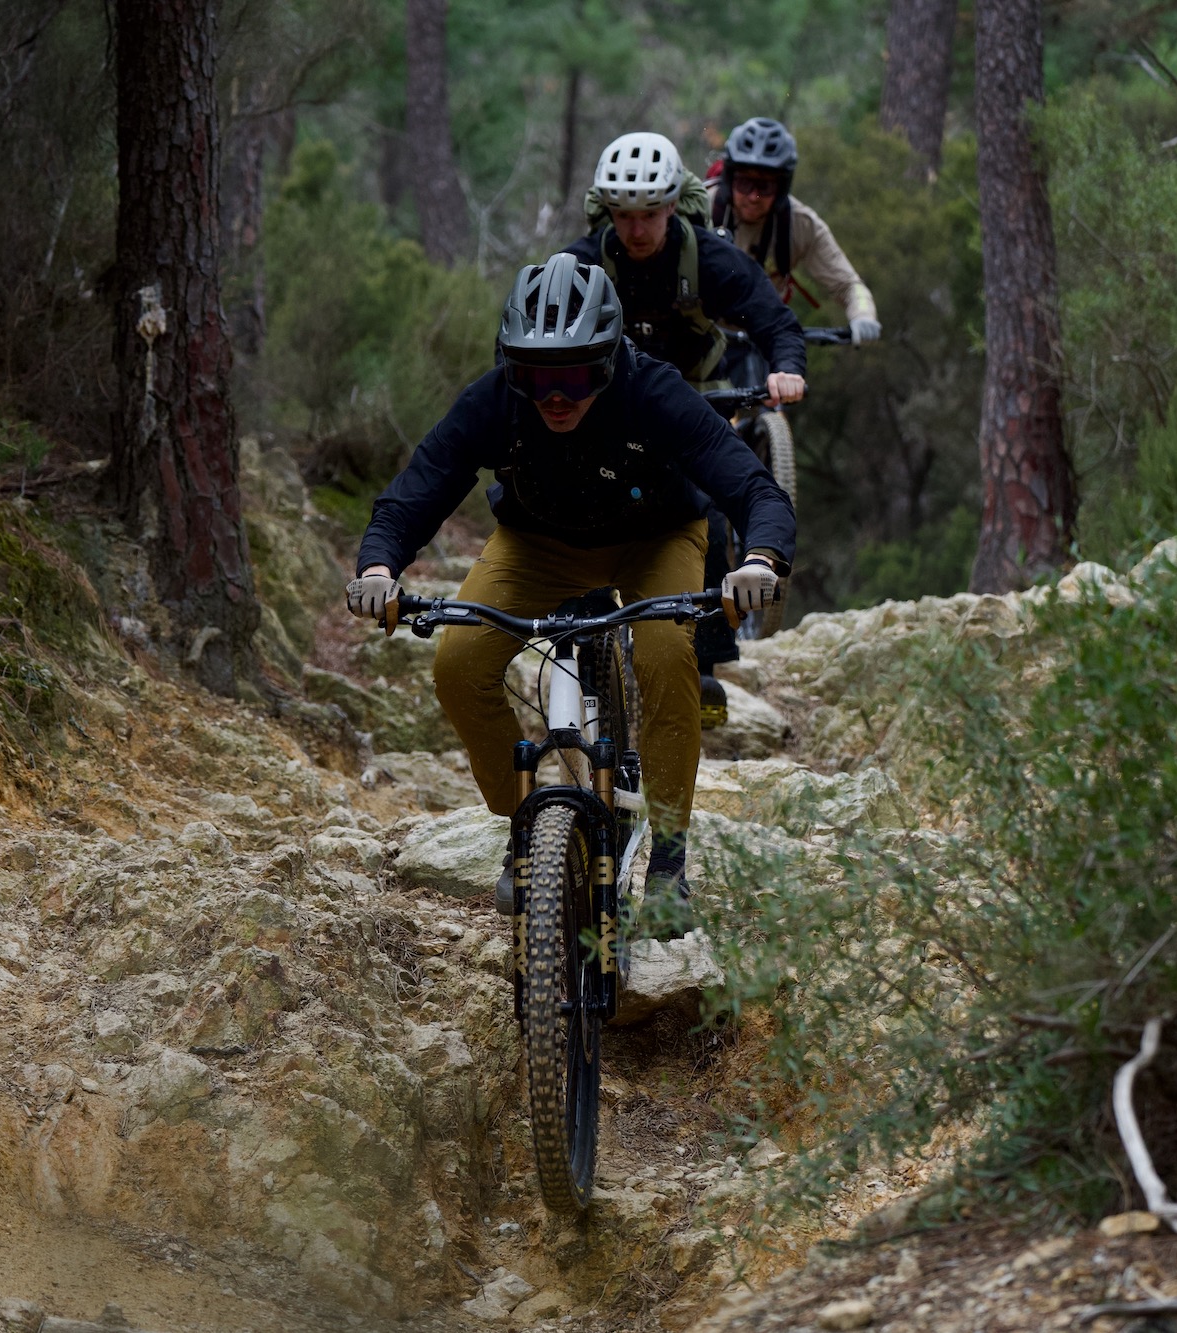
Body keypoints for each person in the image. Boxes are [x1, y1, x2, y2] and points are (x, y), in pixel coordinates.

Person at [344, 254, 795, 937]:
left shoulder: (656, 391)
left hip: (657, 536)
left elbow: (754, 487)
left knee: (668, 654)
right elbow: (417, 489)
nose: (556, 395)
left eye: (578, 374)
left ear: (612, 359)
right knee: (458, 663)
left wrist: (759, 558)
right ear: (509, 365)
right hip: (539, 544)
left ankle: (669, 860)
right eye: (535, 375)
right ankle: (525, 824)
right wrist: (379, 568)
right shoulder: (493, 401)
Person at [560, 131, 808, 720]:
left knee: (706, 508)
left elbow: (775, 321)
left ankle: (701, 666)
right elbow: (533, 327)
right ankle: (590, 647)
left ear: (673, 206)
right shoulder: (585, 261)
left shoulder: (708, 259)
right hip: (609, 403)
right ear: (607, 212)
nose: (637, 229)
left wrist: (786, 370)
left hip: (693, 398)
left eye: (649, 214)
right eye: (623, 215)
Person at [707, 117, 880, 347]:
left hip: (762, 340)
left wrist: (863, 316)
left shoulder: (799, 224)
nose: (753, 196)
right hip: (700, 336)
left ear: (781, 187)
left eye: (765, 187)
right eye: (744, 183)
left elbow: (849, 285)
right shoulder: (701, 208)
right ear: (729, 179)